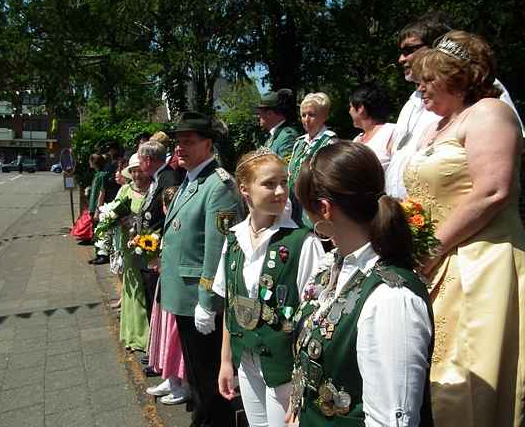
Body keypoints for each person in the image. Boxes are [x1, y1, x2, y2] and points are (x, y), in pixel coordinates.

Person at [405, 30, 525, 426]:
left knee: (469, 384)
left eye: (429, 78)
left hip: (479, 265)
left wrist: (430, 247)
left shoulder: (490, 113)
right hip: (437, 264)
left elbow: (493, 190)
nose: (420, 87)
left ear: (458, 76)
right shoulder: (434, 127)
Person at [287, 140, 433, 426]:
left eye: (305, 208)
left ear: (325, 209)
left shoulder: (392, 299)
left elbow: (393, 420)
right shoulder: (334, 265)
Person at [214, 148, 324, 427]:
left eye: (283, 182)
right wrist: (226, 361)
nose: (279, 191)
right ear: (245, 190)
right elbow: (231, 303)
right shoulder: (234, 238)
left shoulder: (302, 242)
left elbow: (315, 319)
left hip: (285, 367)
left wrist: (304, 383)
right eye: (269, 183)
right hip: (247, 359)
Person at [161, 111, 243, 427]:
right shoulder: (192, 178)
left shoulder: (218, 185)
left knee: (209, 375)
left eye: (189, 142)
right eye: (178, 142)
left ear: (208, 144)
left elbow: (219, 249)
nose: (180, 148)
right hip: (183, 294)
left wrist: (208, 303)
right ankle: (203, 419)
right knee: (196, 373)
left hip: (199, 298)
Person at [385, 12, 523, 198]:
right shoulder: (411, 102)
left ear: (435, 47)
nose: (401, 59)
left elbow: (499, 172)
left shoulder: (482, 89)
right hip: (412, 217)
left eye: (409, 49)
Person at [146, 186, 191, 405]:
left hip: (177, 290)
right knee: (165, 334)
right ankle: (170, 376)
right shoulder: (167, 226)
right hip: (166, 288)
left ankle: (183, 383)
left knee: (175, 339)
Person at [137, 140, 183, 321]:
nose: (139, 166)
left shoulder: (169, 179)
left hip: (158, 256)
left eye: (140, 161)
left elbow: (171, 220)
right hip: (148, 249)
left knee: (157, 306)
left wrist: (160, 253)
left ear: (148, 160)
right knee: (150, 302)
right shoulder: (158, 178)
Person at [117, 153, 152, 351]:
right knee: (132, 288)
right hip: (129, 246)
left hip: (148, 245)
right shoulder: (124, 191)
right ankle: (134, 335)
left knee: (147, 288)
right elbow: (113, 215)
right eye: (134, 171)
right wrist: (118, 222)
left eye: (140, 170)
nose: (137, 174)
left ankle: (148, 337)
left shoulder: (153, 190)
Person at [288, 92, 337, 226]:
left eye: (312, 115)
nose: (306, 119)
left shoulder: (330, 142)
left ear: (324, 116)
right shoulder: (299, 143)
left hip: (314, 208)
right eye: (303, 115)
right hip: (293, 207)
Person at [348, 82, 396, 171]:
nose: (349, 111)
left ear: (360, 108)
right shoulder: (356, 140)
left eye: (350, 107)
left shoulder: (391, 132)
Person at [256, 89, 300, 161]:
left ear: (269, 113)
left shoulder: (288, 137)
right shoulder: (273, 136)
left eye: (260, 113)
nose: (258, 116)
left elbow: (286, 169)